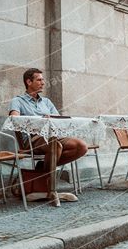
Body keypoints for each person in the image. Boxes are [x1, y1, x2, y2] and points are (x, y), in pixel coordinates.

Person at [9, 68, 88, 202]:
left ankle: (43, 172)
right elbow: (14, 118)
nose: (43, 82)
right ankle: (50, 189)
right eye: (39, 80)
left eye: (43, 79)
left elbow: (58, 119)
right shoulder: (18, 100)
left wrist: (52, 117)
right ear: (29, 82)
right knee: (55, 146)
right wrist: (39, 121)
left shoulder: (46, 102)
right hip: (32, 139)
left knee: (81, 146)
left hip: (53, 136)